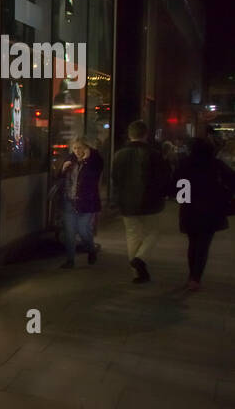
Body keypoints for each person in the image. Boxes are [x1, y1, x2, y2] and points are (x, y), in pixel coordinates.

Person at [110, 120, 170, 283]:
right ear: (146, 134)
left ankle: (137, 273)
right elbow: (162, 179)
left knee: (132, 235)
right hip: (150, 202)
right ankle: (140, 259)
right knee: (153, 232)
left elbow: (115, 179)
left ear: (130, 135)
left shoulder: (119, 155)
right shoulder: (153, 154)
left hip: (127, 203)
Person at [174, 136, 235, 291]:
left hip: (190, 209)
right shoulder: (216, 165)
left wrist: (186, 199)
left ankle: (191, 275)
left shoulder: (185, 164)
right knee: (203, 244)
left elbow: (178, 188)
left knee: (193, 243)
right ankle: (196, 277)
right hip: (212, 209)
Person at [59, 136, 103, 268]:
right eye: (75, 148)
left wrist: (88, 158)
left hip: (86, 201)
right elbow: (60, 179)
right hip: (69, 201)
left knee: (83, 229)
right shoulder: (70, 160)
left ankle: (91, 249)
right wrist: (62, 170)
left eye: (80, 148)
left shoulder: (93, 161)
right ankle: (70, 260)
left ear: (86, 148)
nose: (77, 151)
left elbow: (96, 169)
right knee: (69, 231)